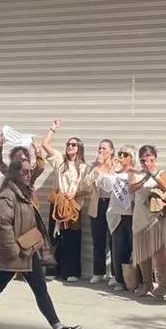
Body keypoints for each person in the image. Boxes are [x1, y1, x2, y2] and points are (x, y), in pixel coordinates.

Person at [0, 158, 82, 329]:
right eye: (24, 172)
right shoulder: (6, 196)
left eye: (29, 171)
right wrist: (13, 250)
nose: (28, 175)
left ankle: (58, 328)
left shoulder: (24, 193)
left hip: (27, 250)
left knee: (40, 288)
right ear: (14, 174)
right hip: (12, 252)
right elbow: (3, 225)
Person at [41, 120, 89, 283]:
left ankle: (71, 271)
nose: (70, 146)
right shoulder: (60, 161)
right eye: (68, 144)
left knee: (71, 238)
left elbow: (87, 189)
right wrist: (52, 129)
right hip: (58, 203)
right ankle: (52, 269)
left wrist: (75, 192)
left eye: (74, 144)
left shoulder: (83, 167)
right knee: (54, 236)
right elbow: (45, 144)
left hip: (73, 206)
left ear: (79, 148)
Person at [130, 145, 166, 298]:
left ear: (154, 158)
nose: (145, 163)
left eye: (149, 159)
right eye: (142, 160)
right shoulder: (136, 175)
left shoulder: (161, 172)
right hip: (140, 216)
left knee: (158, 250)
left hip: (156, 217)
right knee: (142, 251)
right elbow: (131, 189)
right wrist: (144, 177)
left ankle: (163, 285)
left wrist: (153, 174)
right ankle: (147, 284)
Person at [95, 145, 138, 291]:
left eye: (125, 154)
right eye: (119, 153)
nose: (121, 156)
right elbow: (106, 185)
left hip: (133, 216)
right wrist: (102, 167)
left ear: (132, 158)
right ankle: (120, 279)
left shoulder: (137, 174)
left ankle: (137, 280)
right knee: (118, 248)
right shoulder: (117, 174)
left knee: (135, 249)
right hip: (118, 216)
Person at [86, 140, 116, 284]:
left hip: (112, 205)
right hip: (97, 205)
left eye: (104, 148)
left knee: (114, 240)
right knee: (98, 240)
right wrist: (97, 167)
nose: (101, 151)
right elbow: (85, 183)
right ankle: (98, 272)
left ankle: (116, 274)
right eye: (99, 148)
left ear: (111, 150)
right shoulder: (94, 165)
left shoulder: (116, 165)